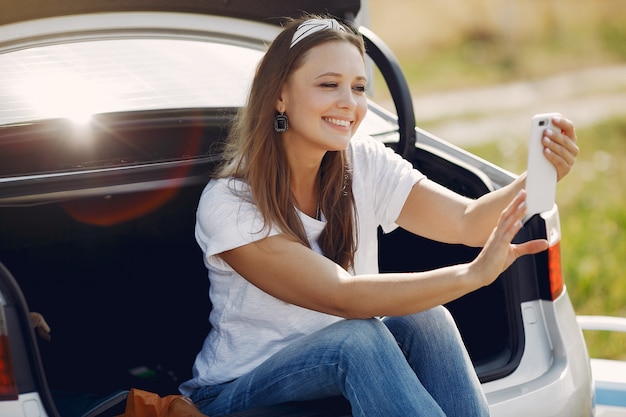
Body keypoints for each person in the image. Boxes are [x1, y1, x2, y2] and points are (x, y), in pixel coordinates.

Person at [179, 14, 579, 417]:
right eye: (328, 85)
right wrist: (471, 275)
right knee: (358, 340)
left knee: (428, 320)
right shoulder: (229, 203)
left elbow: (468, 221)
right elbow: (342, 297)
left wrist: (538, 176)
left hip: (337, 373)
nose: (349, 103)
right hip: (235, 394)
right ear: (279, 95)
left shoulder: (363, 163)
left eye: (358, 88)